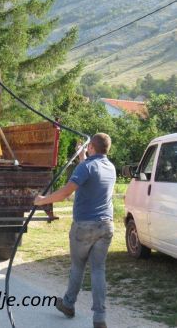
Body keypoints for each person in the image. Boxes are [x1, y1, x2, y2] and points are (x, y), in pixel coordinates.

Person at [34, 133, 116, 328]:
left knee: (78, 266)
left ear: (92, 148)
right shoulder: (110, 167)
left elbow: (65, 193)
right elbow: (91, 171)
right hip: (106, 226)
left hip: (84, 226)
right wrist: (82, 156)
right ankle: (99, 318)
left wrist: (42, 200)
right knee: (98, 270)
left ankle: (68, 304)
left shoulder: (85, 167)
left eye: (89, 148)